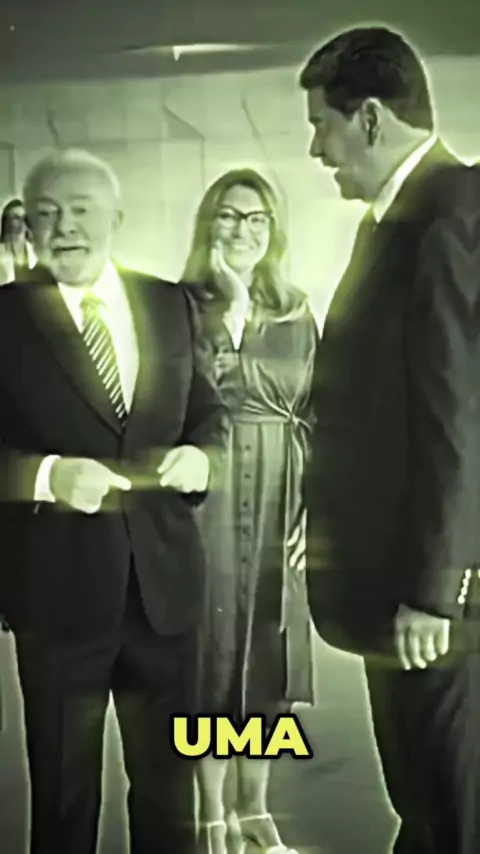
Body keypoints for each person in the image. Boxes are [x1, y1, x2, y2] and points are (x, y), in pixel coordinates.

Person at [0, 148, 228, 854]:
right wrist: (44, 476)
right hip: (59, 597)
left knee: (169, 794)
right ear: (28, 228)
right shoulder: (4, 318)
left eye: (81, 211)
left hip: (165, 592)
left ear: (116, 219)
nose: (64, 227)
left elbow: (207, 412)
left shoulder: (167, 303)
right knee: (65, 799)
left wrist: (204, 457)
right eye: (46, 214)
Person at [300, 26, 479, 854]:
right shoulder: (398, 218)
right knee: (424, 808)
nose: (316, 149)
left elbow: (458, 416)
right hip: (398, 591)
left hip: (431, 605)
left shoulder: (451, 214)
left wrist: (435, 591)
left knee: (452, 812)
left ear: (369, 117)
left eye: (323, 125)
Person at [182, 169, 316, 854]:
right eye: (230, 216)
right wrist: (229, 304)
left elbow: (319, 412)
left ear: (274, 230)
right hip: (208, 490)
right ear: (209, 224)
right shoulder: (182, 307)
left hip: (280, 492)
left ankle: (255, 807)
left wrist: (315, 507)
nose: (243, 230)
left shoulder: (297, 311)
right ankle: (211, 813)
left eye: (257, 218)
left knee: (268, 652)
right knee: (209, 651)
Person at [0, 197, 35, 284]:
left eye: (25, 218)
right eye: (16, 217)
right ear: (6, 221)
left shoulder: (35, 251)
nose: (22, 222)